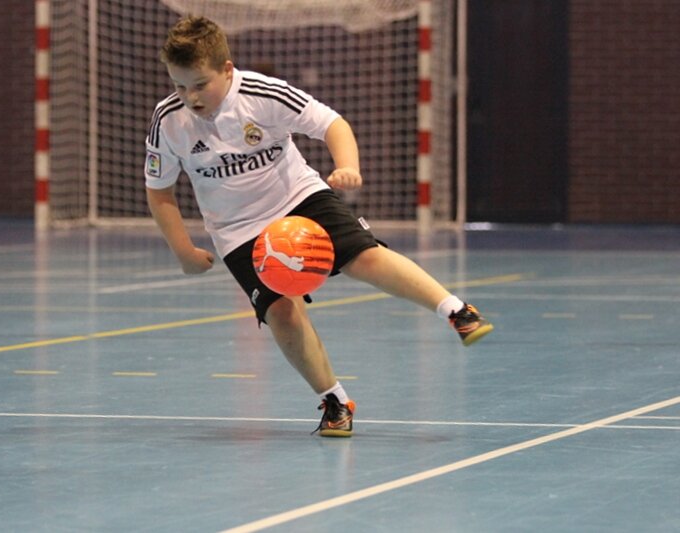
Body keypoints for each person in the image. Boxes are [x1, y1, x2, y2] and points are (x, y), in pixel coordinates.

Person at [145, 16, 493, 438]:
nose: (191, 96)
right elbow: (159, 191)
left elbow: (332, 124)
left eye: (200, 84)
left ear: (228, 70)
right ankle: (334, 401)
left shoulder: (262, 94)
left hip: (297, 197)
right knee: (280, 313)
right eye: (180, 86)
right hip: (238, 230)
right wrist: (184, 252)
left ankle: (456, 311)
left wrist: (348, 166)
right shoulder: (168, 121)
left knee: (364, 256)